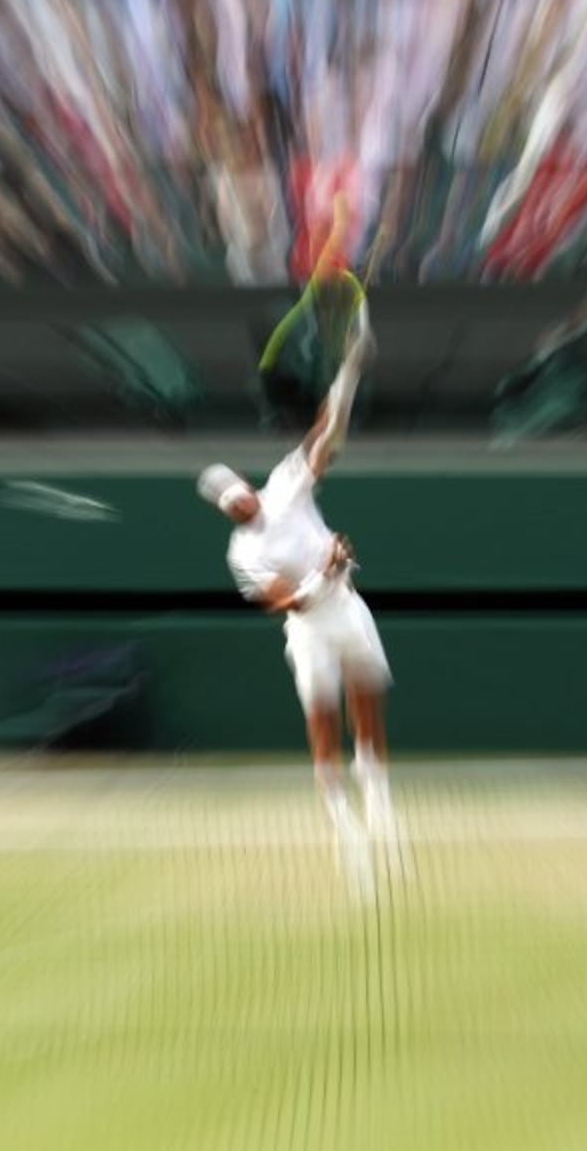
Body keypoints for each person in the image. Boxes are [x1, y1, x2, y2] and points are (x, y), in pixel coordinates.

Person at [196, 305, 395, 882]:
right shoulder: (241, 554)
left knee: (369, 712)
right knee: (323, 730)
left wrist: (352, 367)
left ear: (244, 485)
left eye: (238, 492)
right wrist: (326, 570)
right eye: (229, 504)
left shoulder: (286, 484)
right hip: (309, 632)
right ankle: (346, 832)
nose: (239, 502)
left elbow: (327, 431)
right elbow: (289, 604)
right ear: (225, 511)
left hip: (348, 611)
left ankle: (381, 813)